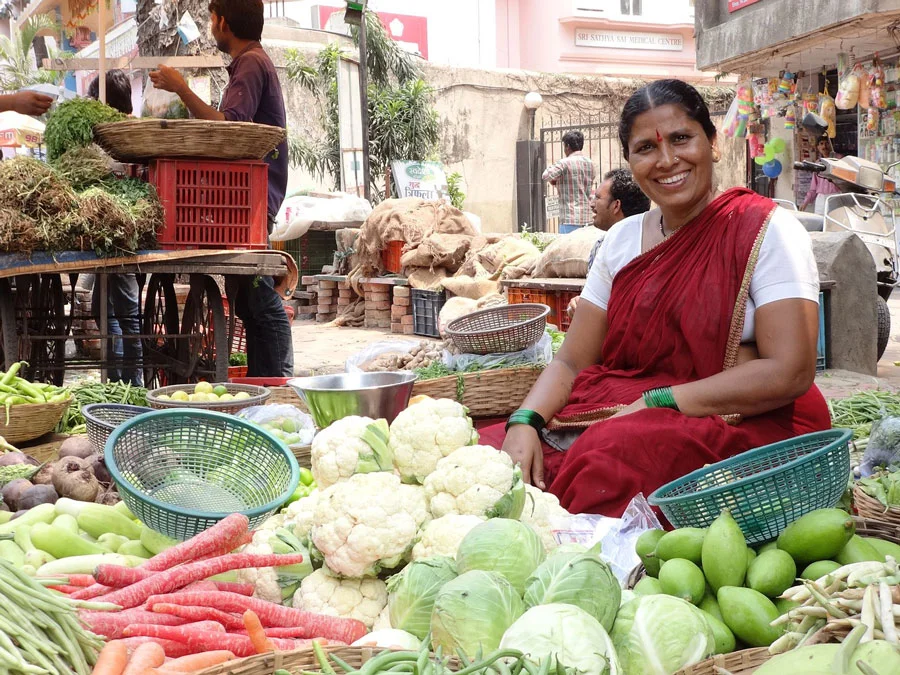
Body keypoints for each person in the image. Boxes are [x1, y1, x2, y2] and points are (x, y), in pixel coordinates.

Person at [481, 79, 831, 517]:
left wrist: (659, 400)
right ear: (630, 161)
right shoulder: (622, 241)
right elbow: (572, 361)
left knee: (606, 460)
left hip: (743, 421)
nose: (667, 160)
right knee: (487, 455)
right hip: (625, 405)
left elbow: (790, 371)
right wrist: (524, 420)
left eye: (682, 138)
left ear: (713, 143)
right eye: (646, 148)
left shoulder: (767, 230)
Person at [149, 0, 293, 377]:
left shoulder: (251, 64)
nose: (211, 26)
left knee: (259, 299)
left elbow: (230, 127)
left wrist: (182, 88)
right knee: (248, 301)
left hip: (256, 199)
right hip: (249, 198)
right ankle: (266, 381)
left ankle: (278, 378)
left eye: (212, 19)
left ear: (224, 22)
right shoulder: (251, 63)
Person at [86, 70, 144, 386]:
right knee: (104, 309)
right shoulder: (109, 134)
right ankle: (122, 378)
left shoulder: (124, 135)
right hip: (109, 237)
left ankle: (131, 384)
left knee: (127, 315)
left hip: (123, 237)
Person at [567, 167, 650, 319]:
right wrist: (579, 303)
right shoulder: (601, 244)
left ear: (616, 205)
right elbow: (595, 299)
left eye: (597, 198)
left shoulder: (646, 246)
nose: (592, 204)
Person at [542, 130, 595, 233]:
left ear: (567, 146)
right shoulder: (590, 164)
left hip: (569, 218)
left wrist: (556, 181)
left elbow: (546, 176)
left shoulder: (564, 163)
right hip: (587, 217)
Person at [799, 136, 841, 215]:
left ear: (831, 145)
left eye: (826, 143)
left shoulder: (839, 160)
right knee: (819, 222)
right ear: (818, 147)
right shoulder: (818, 163)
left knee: (834, 221)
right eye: (821, 144)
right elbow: (813, 188)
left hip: (835, 196)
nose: (824, 146)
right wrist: (805, 202)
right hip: (821, 198)